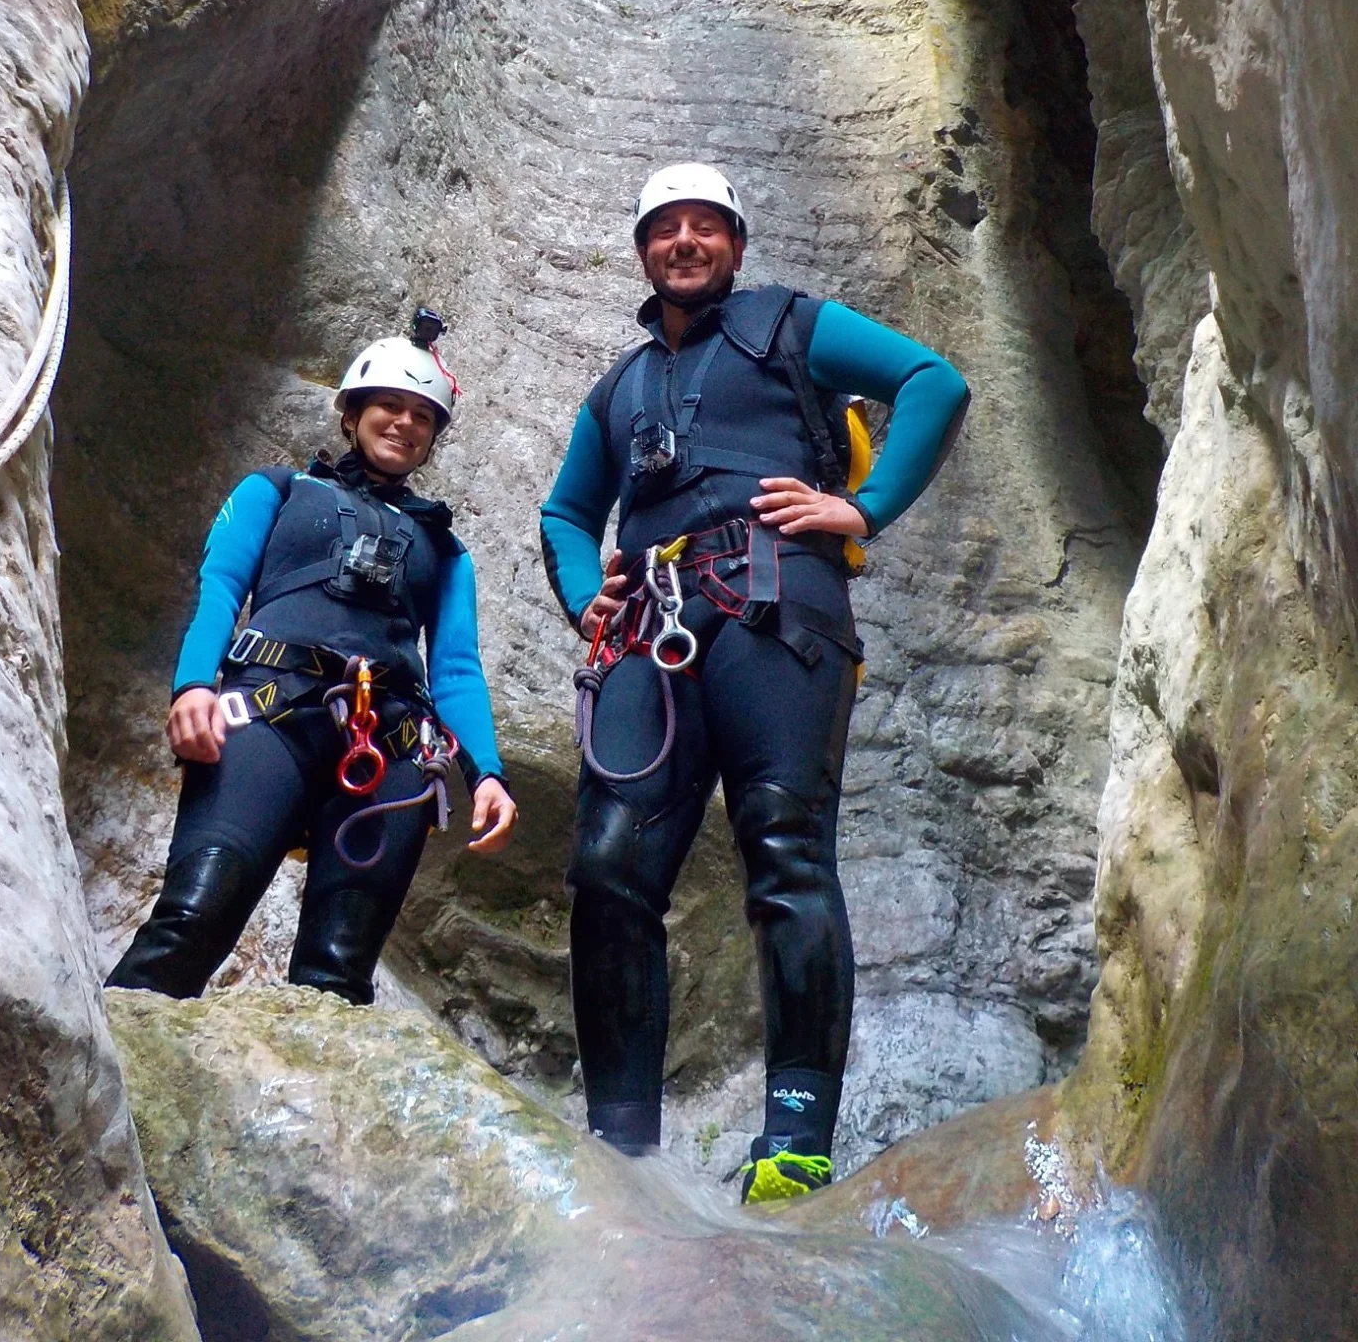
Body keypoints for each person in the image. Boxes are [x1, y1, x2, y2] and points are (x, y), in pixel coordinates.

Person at [539, 164, 969, 1203]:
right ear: (644, 250)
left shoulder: (792, 325)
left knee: (784, 846)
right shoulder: (619, 388)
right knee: (608, 868)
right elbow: (564, 513)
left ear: (734, 241)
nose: (685, 241)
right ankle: (623, 1148)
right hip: (650, 628)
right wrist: (579, 597)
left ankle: (795, 1142)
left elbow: (933, 381)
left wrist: (861, 508)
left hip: (777, 608)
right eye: (665, 228)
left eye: (706, 225)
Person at [109, 316, 516, 1002]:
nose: (404, 424)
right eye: (389, 405)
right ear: (352, 413)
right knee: (192, 919)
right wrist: (192, 687)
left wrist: (489, 776)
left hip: (390, 748)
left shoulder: (446, 552)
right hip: (268, 716)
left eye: (423, 416)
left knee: (340, 971)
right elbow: (220, 591)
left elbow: (454, 670)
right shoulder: (275, 490)